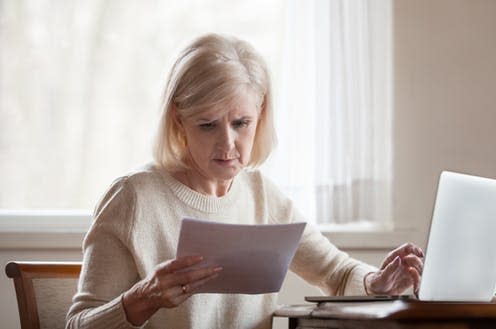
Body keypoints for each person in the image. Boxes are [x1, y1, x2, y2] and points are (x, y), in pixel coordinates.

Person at [66, 33, 424, 329]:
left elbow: (337, 272)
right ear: (178, 120)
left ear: (260, 115)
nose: (227, 144)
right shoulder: (134, 198)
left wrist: (375, 282)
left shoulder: (261, 195)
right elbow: (78, 324)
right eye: (207, 125)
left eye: (241, 123)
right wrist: (142, 298)